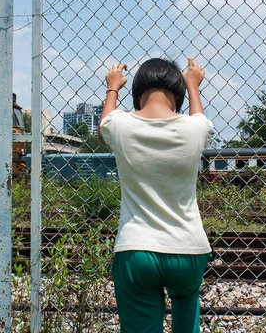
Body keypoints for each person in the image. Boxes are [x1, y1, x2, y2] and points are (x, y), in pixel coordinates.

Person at [98, 57, 213, 333]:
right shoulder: (195, 129)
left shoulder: (121, 126)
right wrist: (193, 85)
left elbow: (104, 126)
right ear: (179, 94)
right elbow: (200, 118)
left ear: (138, 94)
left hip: (136, 249)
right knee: (187, 309)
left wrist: (112, 87)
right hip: (188, 249)